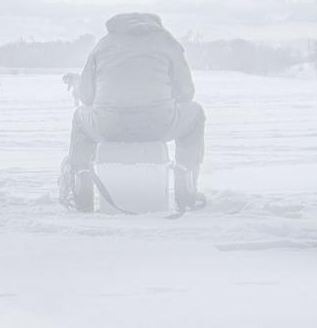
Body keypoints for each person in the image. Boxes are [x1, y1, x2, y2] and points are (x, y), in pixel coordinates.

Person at [58, 12, 206, 212]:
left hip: (107, 126)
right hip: (159, 125)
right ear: (154, 24)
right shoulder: (166, 41)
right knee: (195, 114)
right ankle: (185, 189)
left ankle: (81, 188)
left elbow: (86, 96)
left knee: (79, 117)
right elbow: (187, 93)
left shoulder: (103, 45)